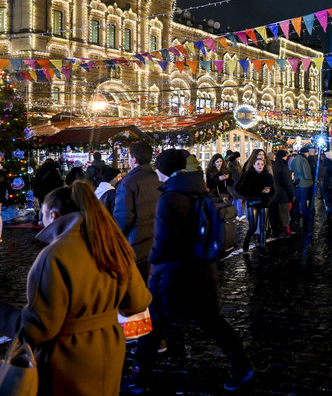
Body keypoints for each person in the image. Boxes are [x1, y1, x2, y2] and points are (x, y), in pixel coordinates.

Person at [0, 181, 151, 396]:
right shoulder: (114, 245)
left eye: (42, 213)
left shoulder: (54, 255)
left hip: (67, 358)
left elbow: (39, 328)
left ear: (53, 215)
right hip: (109, 350)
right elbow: (137, 302)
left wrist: (4, 315)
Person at [123, 149, 255, 394]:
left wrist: (152, 265)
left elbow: (163, 243)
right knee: (213, 322)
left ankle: (138, 379)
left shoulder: (171, 197)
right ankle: (242, 366)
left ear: (165, 170)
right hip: (201, 270)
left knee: (150, 325)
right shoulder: (196, 190)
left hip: (171, 274)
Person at [113, 141, 160, 281]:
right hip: (156, 242)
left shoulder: (128, 182)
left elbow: (123, 218)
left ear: (134, 159)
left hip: (137, 247)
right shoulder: (159, 179)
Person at [235, 158, 274, 252]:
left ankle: (262, 246)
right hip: (253, 202)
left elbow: (273, 189)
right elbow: (238, 188)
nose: (260, 166)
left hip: (264, 202)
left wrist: (269, 194)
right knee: (252, 227)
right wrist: (249, 196)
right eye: (258, 164)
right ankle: (246, 241)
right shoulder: (247, 175)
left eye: (262, 164)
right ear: (253, 165)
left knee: (263, 226)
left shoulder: (268, 176)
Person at [270, 149, 295, 239]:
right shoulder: (283, 167)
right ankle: (282, 232)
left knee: (276, 214)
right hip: (283, 195)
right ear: (284, 156)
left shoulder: (273, 165)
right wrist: (292, 194)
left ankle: (275, 232)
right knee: (283, 214)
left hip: (274, 195)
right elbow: (288, 183)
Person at [290, 146, 314, 226]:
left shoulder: (295, 159)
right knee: (303, 200)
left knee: (298, 199)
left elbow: (291, 169)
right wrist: (311, 179)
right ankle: (304, 214)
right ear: (306, 153)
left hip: (297, 182)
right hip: (304, 183)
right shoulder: (304, 160)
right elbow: (307, 173)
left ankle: (297, 212)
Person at [226, 151, 244, 218]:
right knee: (238, 199)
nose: (238, 159)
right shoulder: (233, 165)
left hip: (234, 185)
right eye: (238, 158)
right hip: (234, 185)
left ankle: (235, 214)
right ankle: (239, 214)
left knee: (235, 200)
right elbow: (236, 176)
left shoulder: (235, 164)